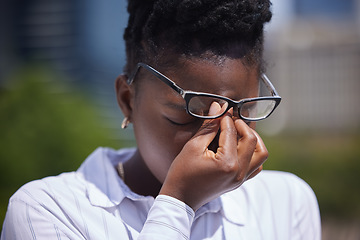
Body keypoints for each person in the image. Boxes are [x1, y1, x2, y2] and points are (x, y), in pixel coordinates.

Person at [1, 0, 321, 239]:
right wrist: (179, 200)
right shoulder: (48, 210)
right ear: (127, 100)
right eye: (186, 114)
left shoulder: (287, 201)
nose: (219, 139)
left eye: (242, 112)